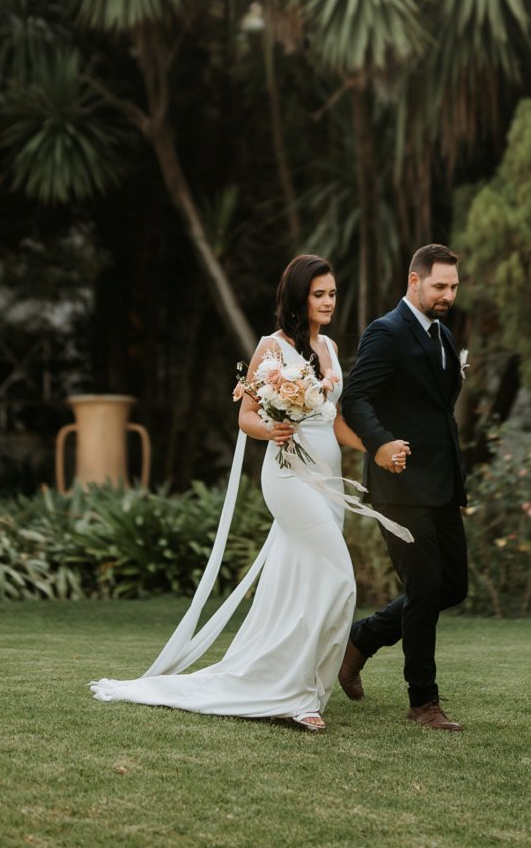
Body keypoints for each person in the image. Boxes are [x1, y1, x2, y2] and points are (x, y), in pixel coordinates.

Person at [90, 254, 391, 733]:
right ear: (298, 297)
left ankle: (298, 687)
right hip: (289, 477)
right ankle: (295, 695)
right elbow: (246, 416)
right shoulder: (271, 347)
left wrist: (377, 446)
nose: (329, 302)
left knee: (304, 585)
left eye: (332, 293)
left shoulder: (331, 348)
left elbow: (333, 421)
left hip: (329, 480)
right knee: (339, 578)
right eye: (319, 294)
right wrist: (271, 428)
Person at [338, 243, 468, 732]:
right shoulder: (386, 331)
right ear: (414, 281)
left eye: (453, 287)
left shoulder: (444, 335)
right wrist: (380, 443)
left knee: (452, 586)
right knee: (425, 586)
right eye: (439, 286)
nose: (447, 295)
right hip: (399, 481)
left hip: (442, 481)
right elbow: (357, 399)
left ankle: (362, 640)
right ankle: (423, 701)